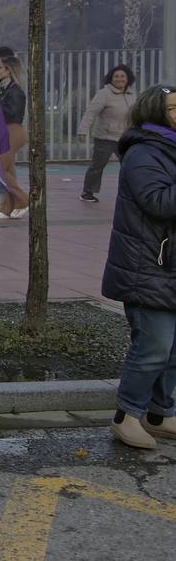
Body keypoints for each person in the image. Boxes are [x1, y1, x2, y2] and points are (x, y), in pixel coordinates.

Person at [101, 85, 176, 449]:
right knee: (153, 348)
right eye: (175, 109)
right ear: (155, 113)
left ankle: (160, 413)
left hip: (168, 265)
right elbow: (158, 202)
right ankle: (126, 416)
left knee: (173, 349)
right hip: (147, 266)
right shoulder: (145, 152)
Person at [77, 64, 137, 203]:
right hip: (105, 137)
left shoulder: (132, 94)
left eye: (122, 76)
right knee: (98, 166)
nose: (119, 79)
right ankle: (88, 192)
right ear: (111, 79)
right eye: (116, 76)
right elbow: (91, 112)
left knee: (131, 165)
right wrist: (83, 130)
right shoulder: (104, 94)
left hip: (126, 138)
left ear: (128, 79)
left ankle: (133, 191)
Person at [0, 53, 28, 218]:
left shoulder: (16, 92)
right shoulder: (5, 89)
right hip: (6, 130)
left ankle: (23, 200)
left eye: (0, 68)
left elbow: (13, 114)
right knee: (8, 170)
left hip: (13, 130)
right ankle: (8, 205)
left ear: (8, 70)